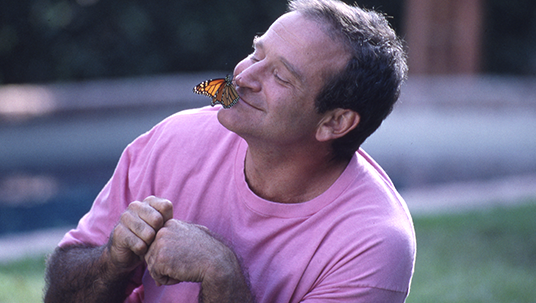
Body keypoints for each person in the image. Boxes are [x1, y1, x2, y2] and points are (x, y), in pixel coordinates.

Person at [44, 0, 416, 302]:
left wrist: (221, 273)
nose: (242, 77)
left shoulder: (372, 242)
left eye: (280, 76)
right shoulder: (177, 139)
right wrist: (113, 260)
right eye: (257, 55)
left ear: (335, 123)